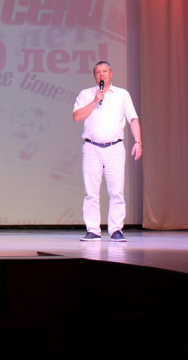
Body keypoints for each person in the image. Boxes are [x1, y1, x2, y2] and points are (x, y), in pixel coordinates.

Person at [72, 61, 142, 241]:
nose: (101, 74)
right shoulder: (86, 94)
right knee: (91, 193)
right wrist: (95, 101)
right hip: (91, 147)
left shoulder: (122, 95)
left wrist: (138, 141)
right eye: (98, 72)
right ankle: (93, 230)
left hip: (114, 148)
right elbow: (77, 117)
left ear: (111, 73)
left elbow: (133, 119)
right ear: (94, 75)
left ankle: (116, 230)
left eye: (104, 71)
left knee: (116, 192)